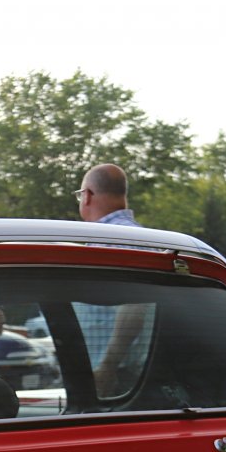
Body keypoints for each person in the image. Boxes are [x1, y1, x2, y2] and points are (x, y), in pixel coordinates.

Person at [76, 163, 146, 393]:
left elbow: (135, 306)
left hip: (115, 380)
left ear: (87, 196)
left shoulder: (109, 242)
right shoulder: (144, 239)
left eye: (79, 195)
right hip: (130, 374)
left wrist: (107, 367)